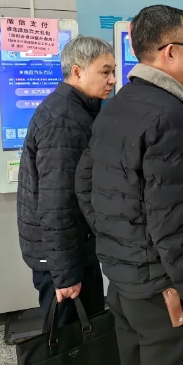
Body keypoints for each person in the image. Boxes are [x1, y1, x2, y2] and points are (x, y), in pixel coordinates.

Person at [75, 5, 183, 365]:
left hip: (123, 280)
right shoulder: (172, 116)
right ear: (170, 52)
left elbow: (84, 183)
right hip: (161, 289)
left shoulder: (118, 104)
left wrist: (121, 243)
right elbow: (174, 220)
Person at [17, 36, 115, 328]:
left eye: (112, 72)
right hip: (64, 258)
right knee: (69, 342)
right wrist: (65, 274)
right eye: (105, 72)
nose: (112, 80)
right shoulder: (64, 120)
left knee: (84, 336)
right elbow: (56, 203)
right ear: (77, 72)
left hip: (73, 250)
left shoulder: (77, 110)